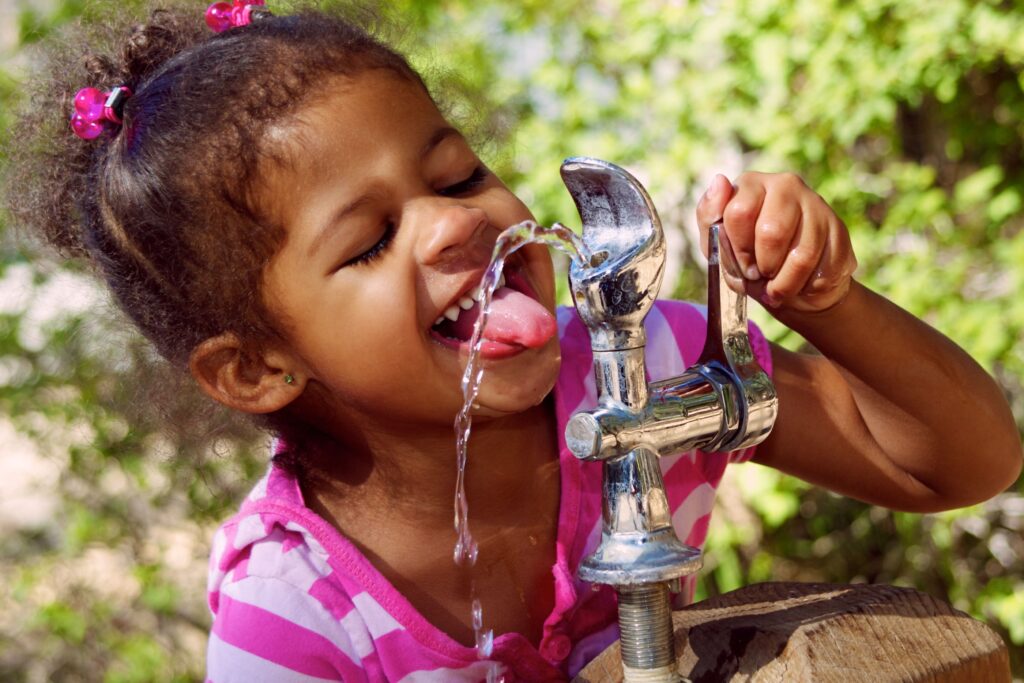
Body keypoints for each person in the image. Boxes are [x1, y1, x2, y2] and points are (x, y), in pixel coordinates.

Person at [5, 2, 1020, 681]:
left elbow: (958, 461)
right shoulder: (296, 612)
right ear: (259, 364)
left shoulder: (639, 375)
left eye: (454, 177)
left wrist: (823, 297)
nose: (455, 225)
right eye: (369, 241)